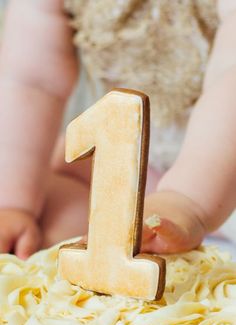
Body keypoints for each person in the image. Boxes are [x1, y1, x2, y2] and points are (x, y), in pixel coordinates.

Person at [0, 0, 235, 259]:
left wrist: (187, 203)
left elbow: (229, 76)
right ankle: (60, 252)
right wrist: (13, 204)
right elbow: (33, 81)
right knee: (52, 176)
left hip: (220, 171)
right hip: (147, 162)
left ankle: (174, 231)